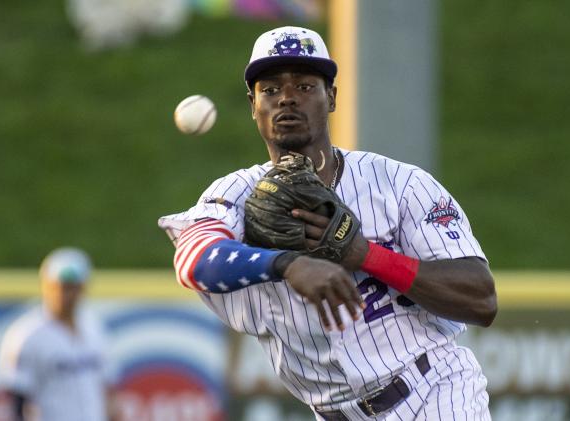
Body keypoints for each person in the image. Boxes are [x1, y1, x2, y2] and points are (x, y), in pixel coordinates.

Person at [159, 26, 497, 420]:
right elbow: (192, 259)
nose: (286, 97)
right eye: (270, 89)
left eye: (304, 86)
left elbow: (481, 299)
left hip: (432, 391)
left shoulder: (399, 184)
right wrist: (288, 263)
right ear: (253, 105)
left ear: (331, 97)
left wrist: (366, 255)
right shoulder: (236, 194)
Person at [0, 247, 116, 421]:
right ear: (46, 285)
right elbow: (16, 400)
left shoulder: (93, 326)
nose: (68, 295)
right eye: (62, 287)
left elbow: (105, 387)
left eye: (75, 288)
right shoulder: (27, 334)